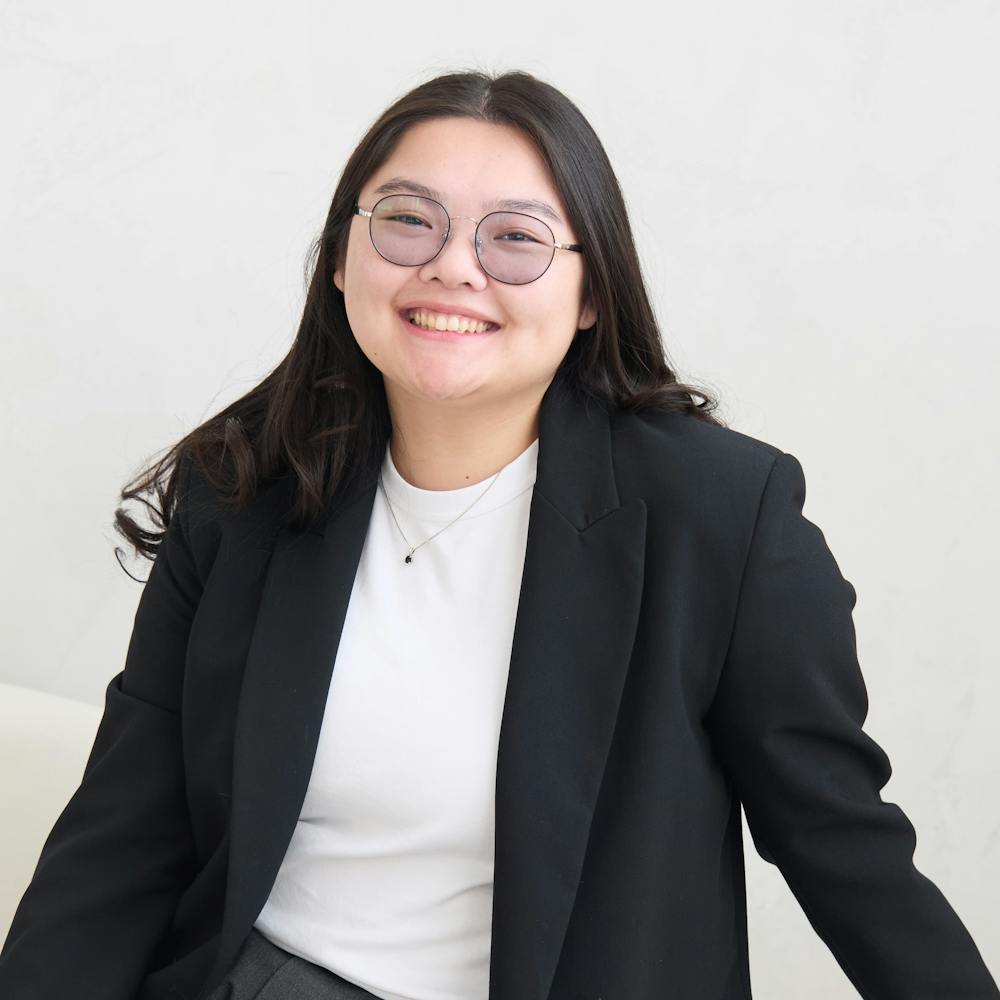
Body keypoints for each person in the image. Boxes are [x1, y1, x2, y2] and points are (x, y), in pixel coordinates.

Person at [0, 68, 996, 1000]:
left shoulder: (719, 516)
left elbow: (841, 841)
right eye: (407, 220)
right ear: (342, 259)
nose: (451, 267)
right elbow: (123, 833)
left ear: (591, 293)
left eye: (514, 237)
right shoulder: (248, 486)